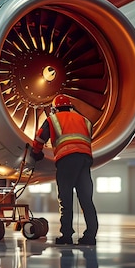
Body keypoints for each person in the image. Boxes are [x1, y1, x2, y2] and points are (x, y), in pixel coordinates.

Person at [30, 94, 98, 245]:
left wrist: (36, 153)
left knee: (66, 200)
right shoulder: (84, 120)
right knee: (86, 200)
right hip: (85, 160)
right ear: (71, 107)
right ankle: (90, 236)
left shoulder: (53, 119)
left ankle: (66, 235)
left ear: (54, 109)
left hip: (66, 160)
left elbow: (40, 137)